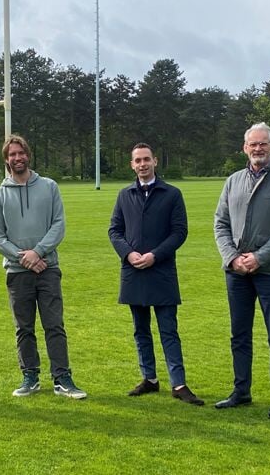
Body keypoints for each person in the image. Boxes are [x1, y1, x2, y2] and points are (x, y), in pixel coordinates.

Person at [213, 122, 270, 418]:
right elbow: (220, 223)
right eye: (253, 144)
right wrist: (232, 258)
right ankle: (241, 391)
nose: (258, 148)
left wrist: (260, 258)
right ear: (245, 148)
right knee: (239, 335)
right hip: (236, 272)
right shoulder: (233, 181)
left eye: (263, 143)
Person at [0, 135, 87, 399]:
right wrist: (25, 258)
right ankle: (30, 376)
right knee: (24, 328)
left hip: (48, 268)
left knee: (54, 325)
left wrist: (38, 252)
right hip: (17, 273)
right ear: (6, 160)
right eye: (12, 155)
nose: (17, 158)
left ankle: (62, 378)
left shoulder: (49, 187)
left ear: (28, 155)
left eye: (21, 153)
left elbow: (58, 225)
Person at [108, 142, 205, 406]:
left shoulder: (172, 194)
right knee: (140, 330)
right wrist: (129, 254)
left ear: (155, 161)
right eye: (137, 160)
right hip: (133, 271)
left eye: (146, 159)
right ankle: (149, 378)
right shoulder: (124, 194)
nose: (142, 164)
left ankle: (179, 383)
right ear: (132, 164)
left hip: (161, 271)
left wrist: (155, 255)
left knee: (168, 330)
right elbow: (114, 230)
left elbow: (179, 232)